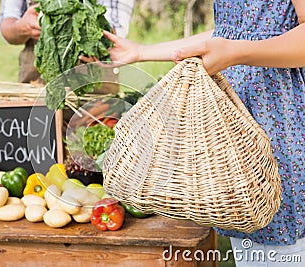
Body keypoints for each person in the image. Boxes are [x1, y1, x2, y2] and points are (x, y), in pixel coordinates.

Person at [84, 0, 305, 266]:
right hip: (238, 120)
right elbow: (232, 31)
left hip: (277, 118)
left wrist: (238, 53)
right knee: (253, 242)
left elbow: (242, 42)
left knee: (281, 245)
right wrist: (141, 51)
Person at [0, 0, 136, 83]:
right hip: (36, 83)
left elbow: (115, 30)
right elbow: (7, 24)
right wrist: (23, 26)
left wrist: (78, 28)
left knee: (94, 128)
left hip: (93, 81)